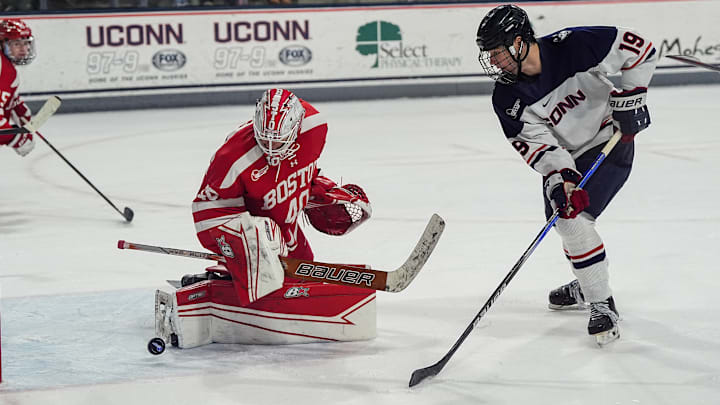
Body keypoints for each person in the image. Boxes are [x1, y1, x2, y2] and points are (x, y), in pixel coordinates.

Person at [476, 5, 657, 345]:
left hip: (609, 140)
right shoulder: (507, 96)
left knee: (574, 223)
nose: (494, 61)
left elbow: (642, 51)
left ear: (518, 42)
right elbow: (539, 145)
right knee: (566, 218)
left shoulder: (573, 44)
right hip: (569, 156)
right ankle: (590, 281)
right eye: (490, 54)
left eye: (498, 52)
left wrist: (634, 96)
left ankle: (601, 303)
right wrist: (562, 177)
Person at [155, 88, 374, 348]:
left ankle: (232, 277)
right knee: (267, 244)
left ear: (295, 129)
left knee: (300, 272)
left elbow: (299, 169)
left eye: (278, 141)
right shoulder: (232, 158)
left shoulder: (315, 127)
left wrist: (312, 189)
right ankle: (235, 277)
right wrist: (242, 242)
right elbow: (207, 212)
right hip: (244, 221)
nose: (271, 149)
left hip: (282, 222)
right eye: (264, 140)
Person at [0, 18, 36, 157]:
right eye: (16, 43)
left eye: (26, 43)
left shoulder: (6, 67)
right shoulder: (4, 68)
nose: (24, 49)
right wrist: (16, 139)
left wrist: (14, 104)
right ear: (3, 44)